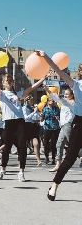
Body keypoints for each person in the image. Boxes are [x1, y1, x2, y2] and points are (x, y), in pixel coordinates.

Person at [35, 52, 82, 200]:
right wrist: (45, 56)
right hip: (79, 123)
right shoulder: (76, 84)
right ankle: (54, 185)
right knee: (70, 158)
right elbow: (58, 70)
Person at [0, 67, 45, 182]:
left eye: (11, 80)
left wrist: (42, 79)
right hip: (9, 122)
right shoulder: (2, 94)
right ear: (3, 83)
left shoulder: (18, 94)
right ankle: (3, 169)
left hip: (20, 122)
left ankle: (21, 172)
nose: (9, 82)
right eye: (7, 80)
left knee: (22, 147)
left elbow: (31, 88)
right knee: (7, 147)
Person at [45, 86, 75, 173]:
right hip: (63, 125)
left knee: (73, 145)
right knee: (59, 144)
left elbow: (57, 98)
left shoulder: (72, 103)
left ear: (72, 95)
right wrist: (47, 90)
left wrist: (50, 92)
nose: (65, 95)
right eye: (64, 94)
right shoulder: (65, 102)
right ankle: (58, 164)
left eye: (67, 94)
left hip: (68, 125)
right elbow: (56, 98)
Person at [22, 96, 43, 166]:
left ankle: (38, 160)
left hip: (33, 126)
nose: (32, 101)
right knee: (23, 146)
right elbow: (26, 118)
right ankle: (21, 161)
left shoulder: (32, 107)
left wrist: (39, 115)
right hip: (26, 126)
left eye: (32, 100)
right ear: (27, 101)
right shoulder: (24, 108)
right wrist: (34, 112)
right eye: (31, 100)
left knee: (36, 144)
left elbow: (36, 117)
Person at [41, 99, 60, 165]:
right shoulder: (45, 109)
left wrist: (57, 117)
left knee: (53, 144)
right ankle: (46, 157)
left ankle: (53, 158)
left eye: (53, 101)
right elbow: (42, 119)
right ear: (48, 102)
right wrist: (42, 117)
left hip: (55, 128)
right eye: (51, 100)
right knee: (45, 143)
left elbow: (59, 117)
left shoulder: (56, 108)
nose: (52, 101)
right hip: (47, 128)